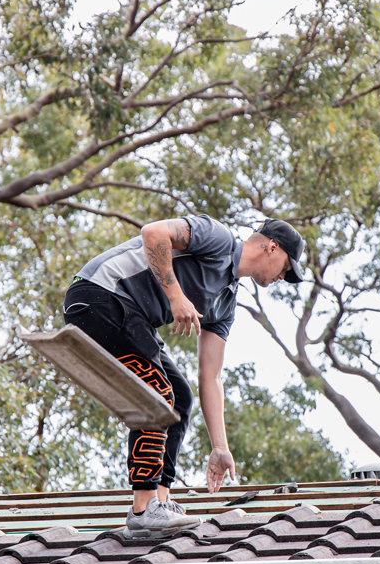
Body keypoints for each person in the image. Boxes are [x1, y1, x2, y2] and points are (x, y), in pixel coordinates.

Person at [63, 215, 306, 532]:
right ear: (272, 247)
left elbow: (210, 376)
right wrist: (176, 297)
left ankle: (159, 504)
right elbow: (153, 233)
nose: (282, 277)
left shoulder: (225, 302)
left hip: (131, 316)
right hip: (99, 295)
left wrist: (220, 446)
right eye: (286, 268)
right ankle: (142, 509)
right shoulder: (217, 237)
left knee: (179, 398)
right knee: (156, 393)